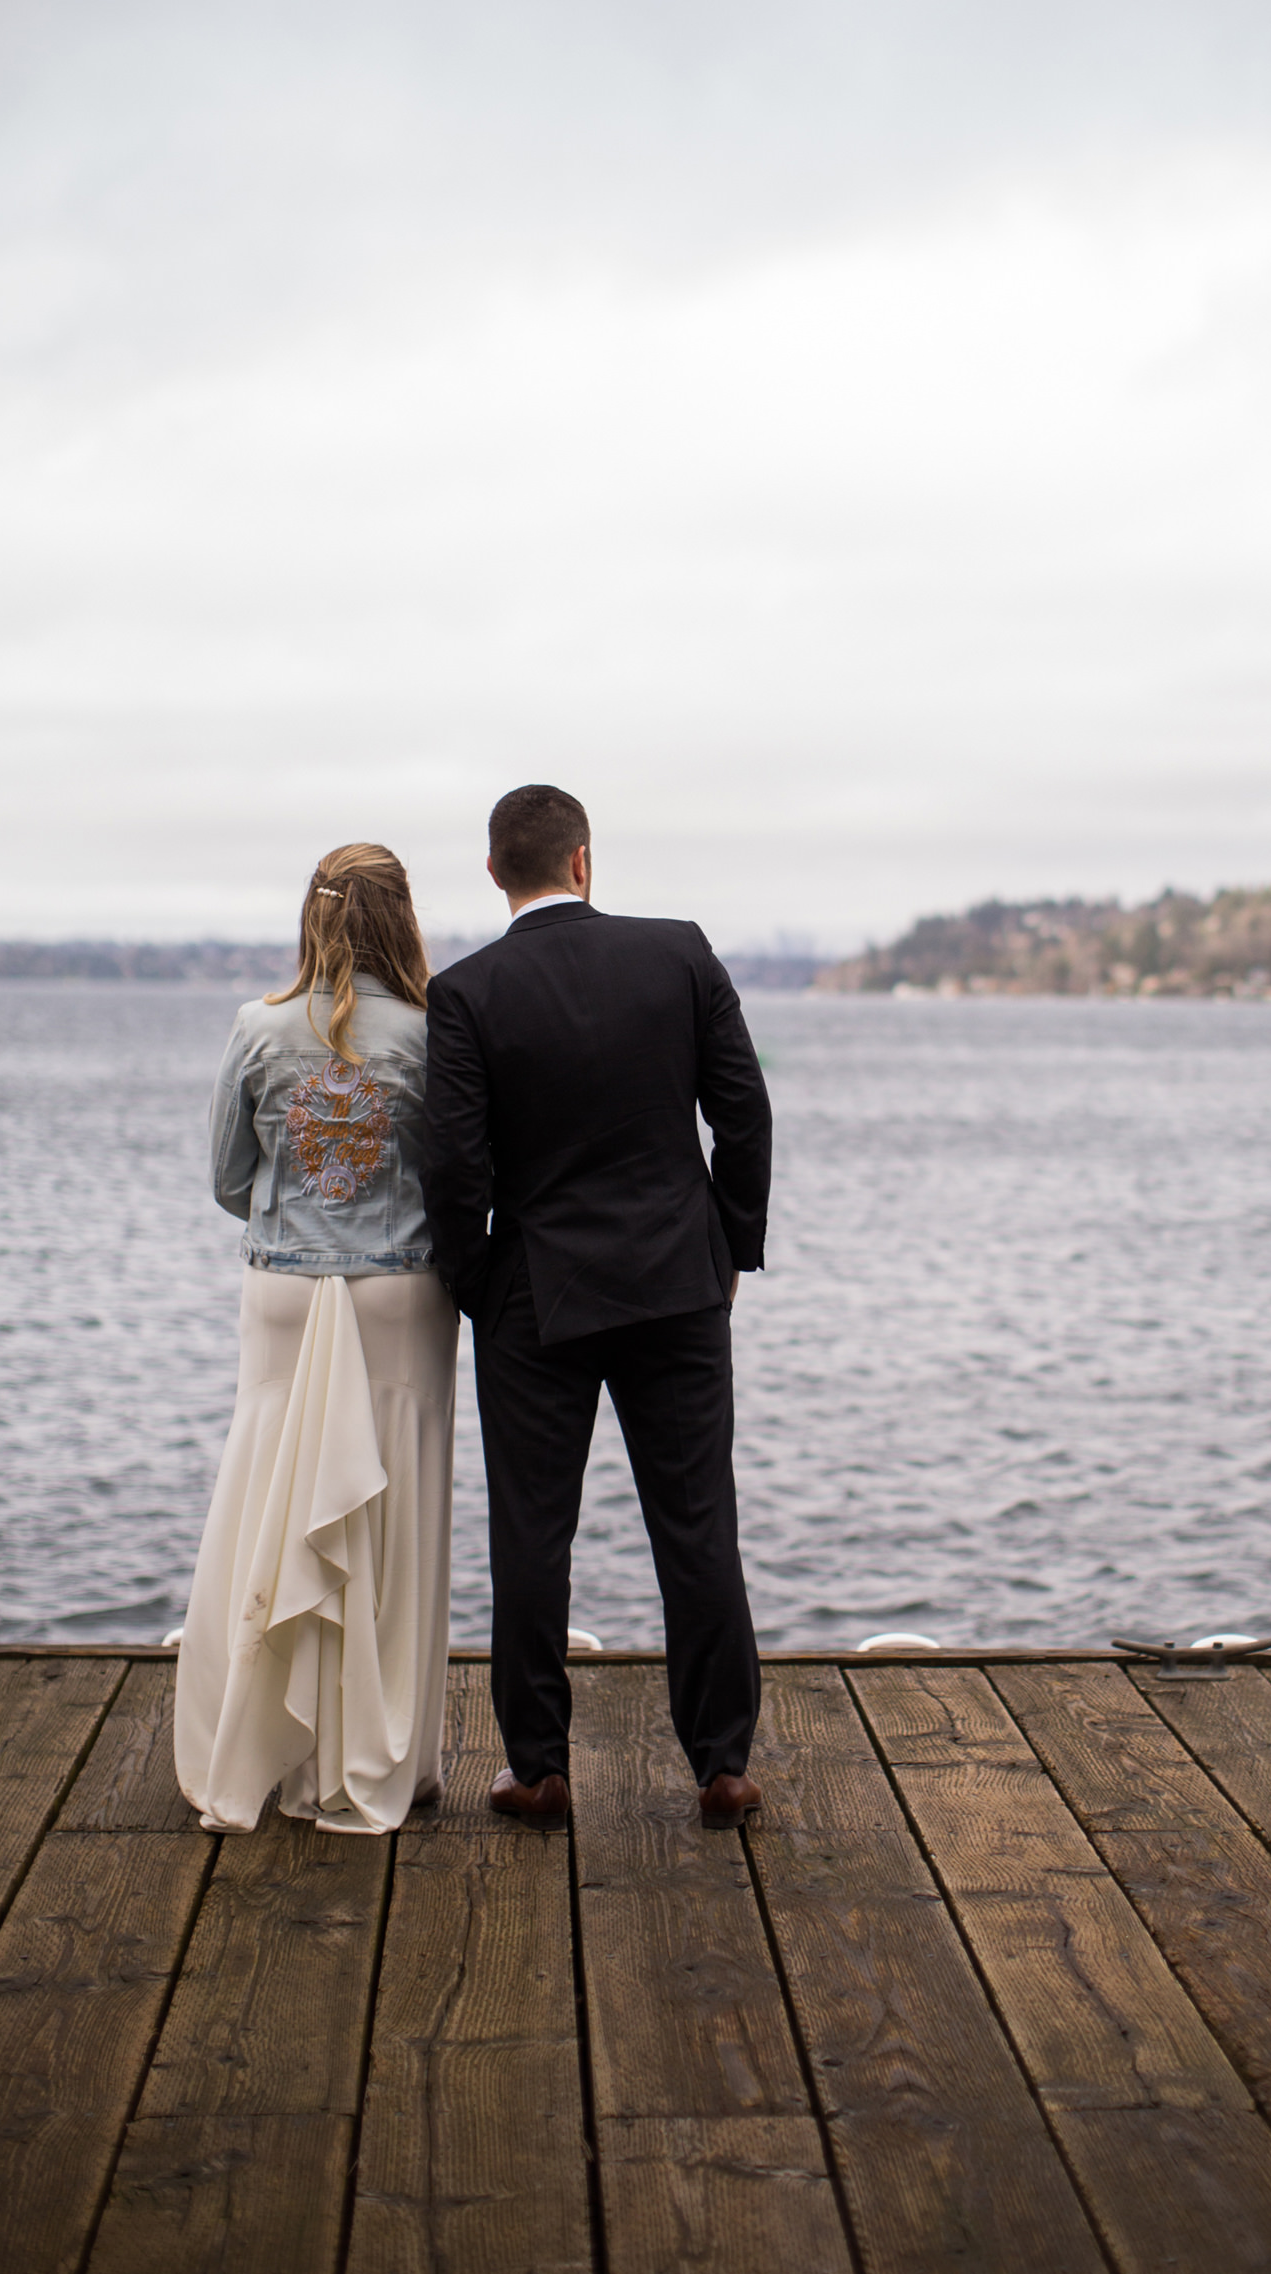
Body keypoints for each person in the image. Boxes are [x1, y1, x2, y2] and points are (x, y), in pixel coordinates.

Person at [421, 783, 771, 1830]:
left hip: (536, 1294)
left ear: (497, 875)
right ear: (583, 861)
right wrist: (730, 1251)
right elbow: (743, 1113)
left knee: (533, 1535)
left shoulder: (468, 992)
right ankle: (722, 1767)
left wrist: (479, 1285)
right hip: (677, 1284)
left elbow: (454, 1170)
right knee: (699, 1525)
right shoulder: (678, 952)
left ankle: (538, 1770)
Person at [174, 844, 458, 1835]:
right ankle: (386, 1760)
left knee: (265, 1497)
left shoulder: (255, 1028)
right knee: (394, 1519)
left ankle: (263, 1754)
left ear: (313, 915)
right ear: (403, 919)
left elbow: (225, 1178)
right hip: (401, 1290)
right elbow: (464, 1179)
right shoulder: (435, 1034)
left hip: (284, 1292)